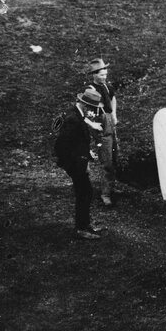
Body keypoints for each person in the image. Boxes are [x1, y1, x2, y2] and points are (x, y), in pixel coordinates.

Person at [54, 87, 106, 240]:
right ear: (85, 105)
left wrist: (86, 153)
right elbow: (61, 145)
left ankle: (85, 225)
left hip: (78, 161)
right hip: (75, 164)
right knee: (84, 193)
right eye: (92, 108)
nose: (94, 112)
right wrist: (75, 165)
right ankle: (81, 228)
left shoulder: (78, 115)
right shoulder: (73, 120)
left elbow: (77, 142)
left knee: (86, 192)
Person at [85, 57, 120, 206]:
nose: (104, 77)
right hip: (101, 126)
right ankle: (105, 195)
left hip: (110, 124)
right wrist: (95, 126)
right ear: (94, 74)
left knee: (114, 157)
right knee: (106, 161)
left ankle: (110, 188)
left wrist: (114, 115)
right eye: (101, 75)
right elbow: (87, 112)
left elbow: (113, 98)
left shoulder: (106, 86)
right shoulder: (91, 90)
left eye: (105, 75)